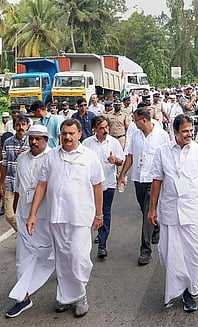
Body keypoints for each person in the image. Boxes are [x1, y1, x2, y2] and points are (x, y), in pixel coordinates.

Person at [26, 118, 104, 317]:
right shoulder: (51, 156)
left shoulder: (90, 156)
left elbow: (97, 186)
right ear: (60, 135)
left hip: (80, 217)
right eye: (64, 133)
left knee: (79, 258)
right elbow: (42, 185)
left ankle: (80, 296)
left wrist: (99, 213)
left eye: (71, 133)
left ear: (79, 134)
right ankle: (65, 296)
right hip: (57, 217)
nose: (67, 137)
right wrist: (33, 214)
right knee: (62, 259)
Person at [147, 114, 198, 312]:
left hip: (191, 210)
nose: (189, 134)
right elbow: (157, 181)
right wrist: (152, 209)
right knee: (170, 254)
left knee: (193, 253)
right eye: (184, 131)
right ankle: (178, 290)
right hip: (169, 210)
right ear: (174, 132)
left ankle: (190, 291)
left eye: (191, 130)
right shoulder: (162, 152)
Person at [5, 125, 53, 318]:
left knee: (54, 255)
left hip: (48, 217)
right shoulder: (21, 158)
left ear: (46, 140)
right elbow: (18, 187)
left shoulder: (53, 158)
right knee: (22, 259)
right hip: (25, 216)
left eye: (38, 139)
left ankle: (70, 291)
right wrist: (17, 211)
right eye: (31, 138)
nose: (33, 142)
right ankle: (22, 298)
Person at [118, 108, 169, 266]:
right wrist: (122, 175)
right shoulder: (136, 135)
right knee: (144, 210)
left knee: (148, 211)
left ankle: (145, 250)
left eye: (135, 119)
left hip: (154, 180)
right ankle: (156, 228)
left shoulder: (162, 135)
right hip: (139, 179)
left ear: (143, 120)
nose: (134, 122)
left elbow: (168, 157)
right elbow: (130, 157)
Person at [83, 116, 125, 258]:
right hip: (90, 187)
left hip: (108, 184)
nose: (105, 130)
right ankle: (84, 243)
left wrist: (115, 160)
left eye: (106, 127)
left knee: (105, 213)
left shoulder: (113, 143)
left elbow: (121, 162)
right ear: (94, 129)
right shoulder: (87, 143)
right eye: (101, 128)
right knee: (89, 213)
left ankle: (102, 244)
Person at [0, 115, 31, 231]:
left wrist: (29, 152)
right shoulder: (8, 142)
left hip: (26, 184)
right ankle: (24, 233)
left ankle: (27, 237)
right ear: (13, 126)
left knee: (25, 213)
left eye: (23, 124)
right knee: (9, 215)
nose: (20, 127)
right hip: (11, 182)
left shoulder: (32, 141)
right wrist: (1, 184)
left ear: (28, 126)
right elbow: (5, 164)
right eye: (18, 125)